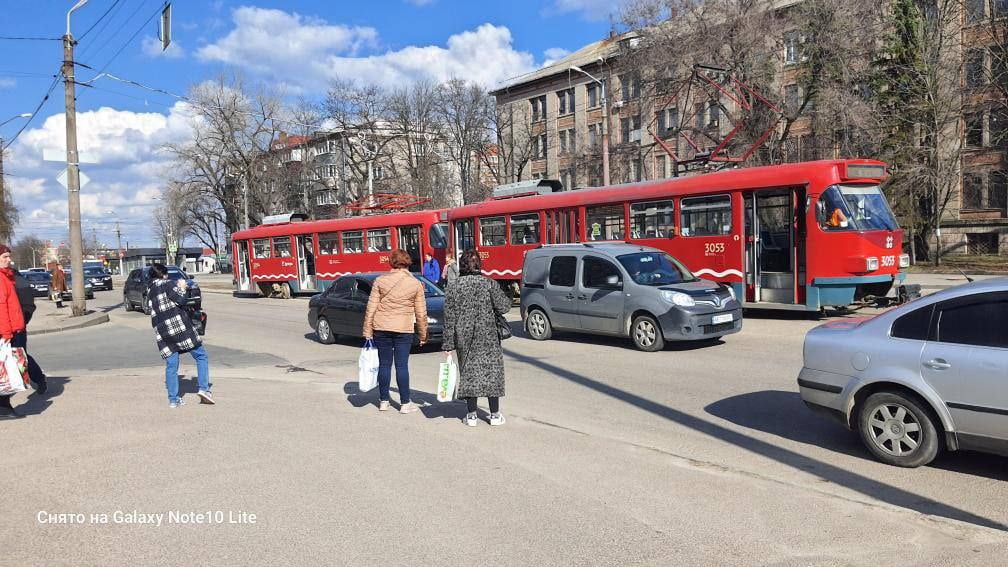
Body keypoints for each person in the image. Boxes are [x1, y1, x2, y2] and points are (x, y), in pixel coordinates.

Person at [442, 249, 511, 427]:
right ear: (479, 264)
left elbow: (449, 317)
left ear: (462, 266)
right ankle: (495, 415)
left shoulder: (454, 287)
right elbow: (504, 307)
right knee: (491, 374)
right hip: (488, 336)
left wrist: (448, 343)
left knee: (469, 373)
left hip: (463, 336)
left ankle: (471, 415)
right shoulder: (489, 284)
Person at [362, 249, 428, 414]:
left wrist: (367, 330)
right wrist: (423, 334)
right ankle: (405, 403)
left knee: (384, 365)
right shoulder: (415, 284)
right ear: (407, 262)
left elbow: (371, 308)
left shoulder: (380, 281)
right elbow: (421, 313)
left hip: (381, 327)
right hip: (403, 329)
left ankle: (383, 401)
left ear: (391, 262)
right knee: (401, 366)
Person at [147, 263, 214, 408]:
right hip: (180, 329)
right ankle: (204, 389)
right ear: (164, 274)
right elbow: (181, 300)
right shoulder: (167, 284)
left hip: (163, 332)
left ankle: (174, 400)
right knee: (201, 355)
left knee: (171, 365)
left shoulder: (150, 290)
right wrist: (183, 286)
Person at [0, 245, 27, 418]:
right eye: (5, 257)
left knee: (10, 370)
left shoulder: (6, 276)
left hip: (13, 330)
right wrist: (6, 334)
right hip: (7, 333)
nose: (9, 260)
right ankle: (3, 407)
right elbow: (1, 309)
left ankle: (4, 406)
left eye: (9, 256)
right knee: (8, 371)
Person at [11, 264, 46, 394]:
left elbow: (28, 305)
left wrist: (21, 321)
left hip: (16, 327)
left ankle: (38, 379)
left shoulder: (17, 279)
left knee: (20, 356)